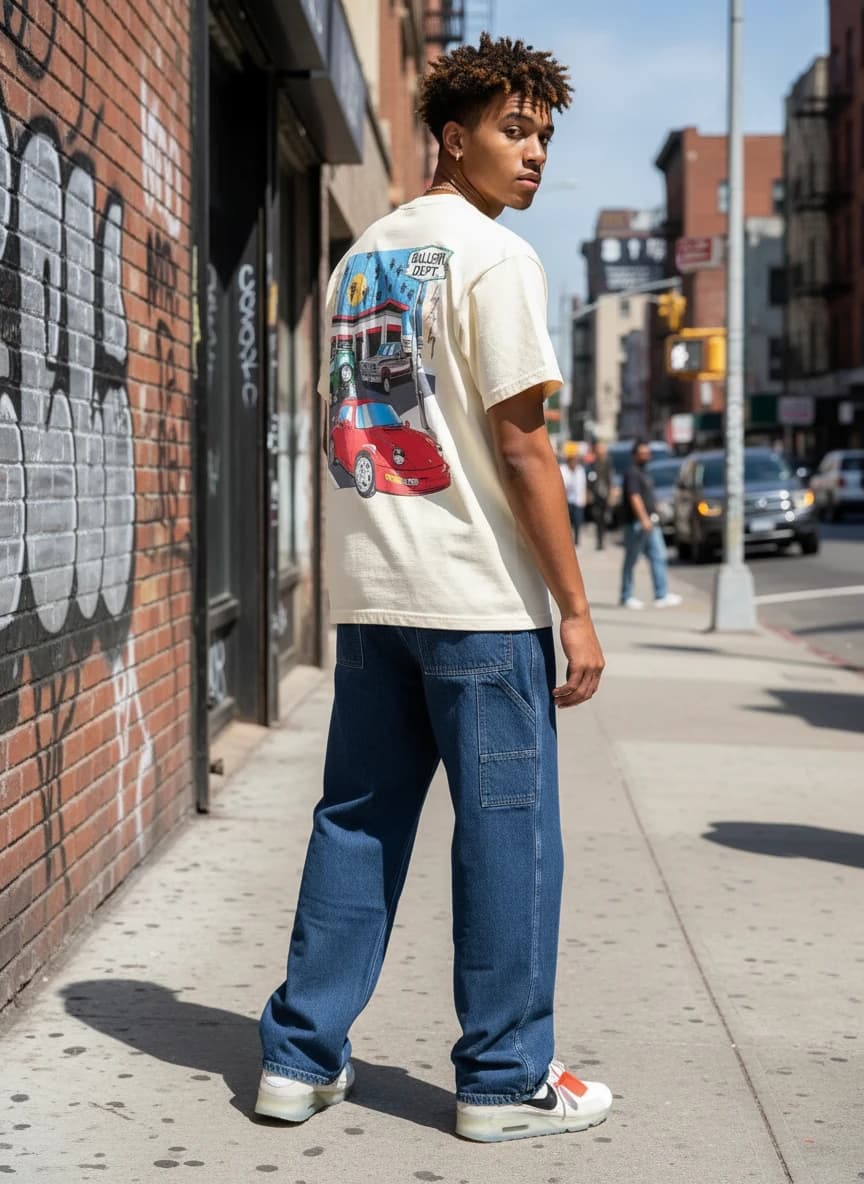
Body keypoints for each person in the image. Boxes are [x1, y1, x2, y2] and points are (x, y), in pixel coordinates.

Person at [256, 33, 613, 1144]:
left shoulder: (364, 259)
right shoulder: (495, 259)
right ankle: (505, 1077)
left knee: (356, 824)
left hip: (371, 597)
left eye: (546, 132)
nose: (536, 152)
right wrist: (578, 607)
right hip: (474, 603)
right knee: (509, 836)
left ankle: (297, 1059)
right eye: (515, 129)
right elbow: (524, 447)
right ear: (452, 138)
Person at [620, 440, 682, 609]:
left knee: (658, 555)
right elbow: (634, 497)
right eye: (643, 453)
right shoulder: (632, 473)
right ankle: (626, 596)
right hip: (637, 524)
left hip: (650, 522)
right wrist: (643, 519)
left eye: (648, 453)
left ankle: (661, 594)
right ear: (635, 455)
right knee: (632, 560)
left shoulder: (643, 472)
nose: (646, 456)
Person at [559, 451, 587, 545]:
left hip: (578, 500)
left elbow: (583, 485)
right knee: (567, 522)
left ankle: (576, 539)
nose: (575, 463)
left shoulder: (580, 470)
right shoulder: (563, 470)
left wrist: (585, 497)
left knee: (578, 521)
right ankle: (567, 540)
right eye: (573, 461)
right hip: (567, 501)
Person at [589, 440, 612, 550]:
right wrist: (588, 492)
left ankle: (602, 539)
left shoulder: (607, 463)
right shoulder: (593, 464)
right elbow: (589, 479)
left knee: (604, 519)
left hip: (605, 495)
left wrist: (611, 494)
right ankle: (599, 541)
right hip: (596, 495)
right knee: (597, 518)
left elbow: (610, 480)